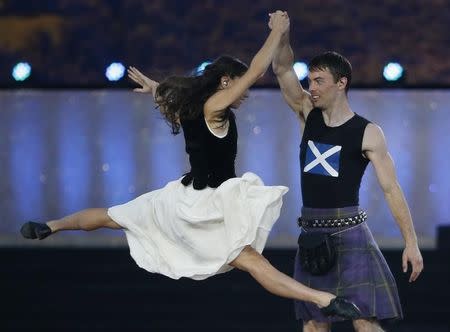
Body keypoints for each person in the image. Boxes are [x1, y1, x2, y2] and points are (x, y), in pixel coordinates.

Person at [20, 12, 360, 319]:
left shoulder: (191, 105)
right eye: (237, 87)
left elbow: (171, 97)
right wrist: (277, 32)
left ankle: (51, 225)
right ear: (226, 81)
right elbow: (257, 70)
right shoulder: (214, 105)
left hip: (183, 199)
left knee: (114, 216)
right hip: (212, 203)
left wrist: (156, 88)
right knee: (254, 262)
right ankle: (322, 299)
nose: (244, 96)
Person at [270, 11, 424, 332]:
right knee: (313, 325)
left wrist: (410, 242)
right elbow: (282, 67)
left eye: (319, 81)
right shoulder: (306, 113)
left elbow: (392, 189)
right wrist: (281, 34)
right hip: (311, 234)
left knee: (365, 323)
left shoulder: (368, 133)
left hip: (350, 234)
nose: (311, 87)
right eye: (310, 80)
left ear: (341, 83)